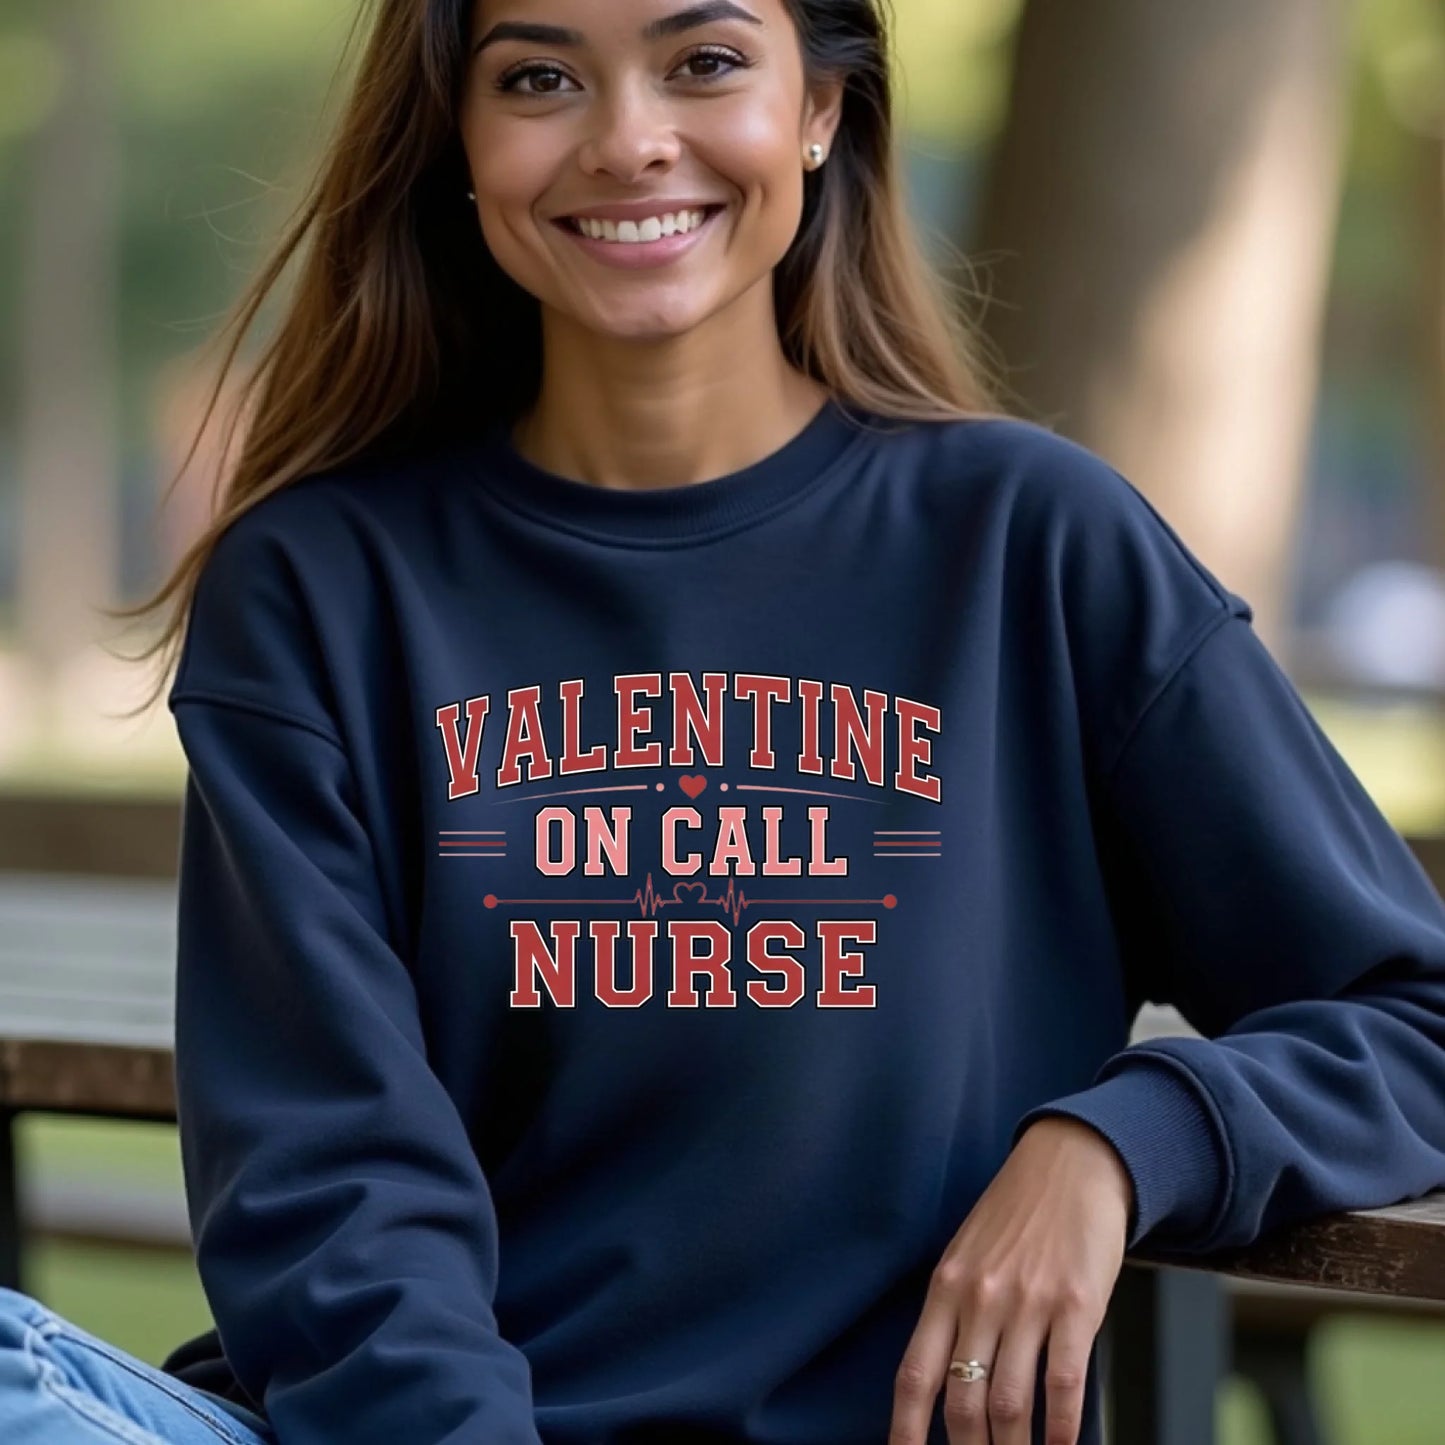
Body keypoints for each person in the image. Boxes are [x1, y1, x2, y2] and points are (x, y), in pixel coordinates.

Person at [4, 1, 1444, 1443]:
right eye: (540, 77)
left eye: (703, 63)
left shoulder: (1028, 549)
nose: (628, 140)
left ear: (818, 110)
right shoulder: (323, 585)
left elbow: (1411, 1011)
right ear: (459, 135)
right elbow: (328, 1182)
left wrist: (1121, 1137)